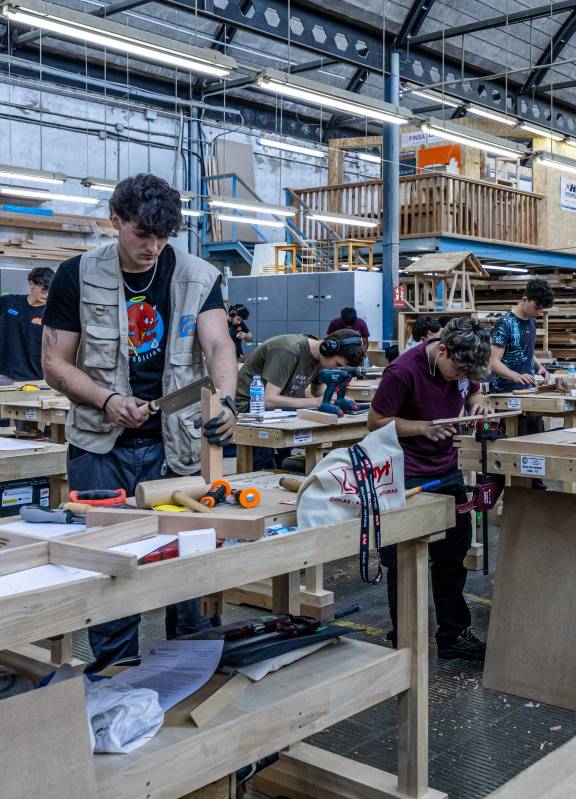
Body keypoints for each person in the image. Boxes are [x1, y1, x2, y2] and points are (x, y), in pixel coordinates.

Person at [41, 174, 238, 671]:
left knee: (186, 569)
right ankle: (115, 677)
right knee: (108, 570)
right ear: (115, 221)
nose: (153, 247)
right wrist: (107, 399)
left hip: (175, 445)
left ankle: (187, 674)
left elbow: (218, 345)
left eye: (163, 236)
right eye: (141, 235)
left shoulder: (197, 275)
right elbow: (55, 363)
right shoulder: (76, 274)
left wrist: (228, 403)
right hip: (99, 448)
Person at [368, 318, 492, 660]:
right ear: (441, 350)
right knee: (403, 558)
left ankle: (452, 635)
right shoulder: (402, 371)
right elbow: (375, 422)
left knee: (453, 555)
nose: (459, 380)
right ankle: (404, 637)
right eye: (456, 373)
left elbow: (476, 387)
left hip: (446, 468)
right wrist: (420, 427)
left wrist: (476, 402)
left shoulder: (464, 360)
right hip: (405, 474)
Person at [234, 330, 366, 469]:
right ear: (328, 348)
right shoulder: (288, 350)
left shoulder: (320, 359)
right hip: (250, 409)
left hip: (279, 411)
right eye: (338, 365)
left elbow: (317, 391)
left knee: (284, 460)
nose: (336, 369)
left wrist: (336, 399)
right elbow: (269, 400)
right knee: (265, 463)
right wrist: (316, 402)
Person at [489, 278, 555, 393]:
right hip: (505, 392)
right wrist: (516, 376)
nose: (539, 313)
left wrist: (540, 367)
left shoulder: (532, 322)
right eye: (536, 308)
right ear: (525, 299)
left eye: (542, 309)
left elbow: (526, 353)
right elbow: (493, 363)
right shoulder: (505, 323)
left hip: (527, 390)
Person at [0, 266, 52, 380]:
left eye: (50, 290)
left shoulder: (51, 314)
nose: (47, 294)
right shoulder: (8, 302)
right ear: (31, 283)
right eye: (44, 289)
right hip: (4, 375)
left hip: (34, 378)